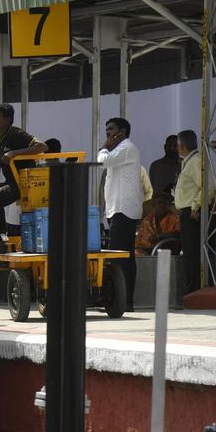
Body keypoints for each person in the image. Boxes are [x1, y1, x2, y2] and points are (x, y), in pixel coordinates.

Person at [0, 103, 47, 254]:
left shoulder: (16, 133)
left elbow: (42, 146)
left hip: (22, 184)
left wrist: (14, 153)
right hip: (10, 183)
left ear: (8, 119)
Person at [97, 117, 143, 311]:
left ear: (122, 132)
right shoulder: (120, 150)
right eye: (106, 130)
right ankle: (122, 300)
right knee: (123, 256)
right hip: (118, 209)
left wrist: (104, 147)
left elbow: (102, 161)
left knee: (119, 257)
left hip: (124, 209)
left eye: (111, 129)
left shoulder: (127, 147)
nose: (108, 133)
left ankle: (120, 300)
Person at [175, 129, 202, 293]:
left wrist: (195, 206)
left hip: (191, 213)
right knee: (188, 252)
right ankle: (191, 288)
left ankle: (193, 289)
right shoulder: (188, 161)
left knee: (192, 253)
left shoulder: (196, 161)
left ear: (182, 145)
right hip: (185, 212)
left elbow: (208, 186)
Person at [135, 191, 181, 256]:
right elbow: (140, 240)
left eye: (165, 203)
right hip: (148, 250)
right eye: (159, 203)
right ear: (154, 205)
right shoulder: (147, 220)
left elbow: (179, 234)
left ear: (169, 205)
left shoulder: (175, 218)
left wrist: (160, 236)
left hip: (168, 249)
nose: (162, 205)